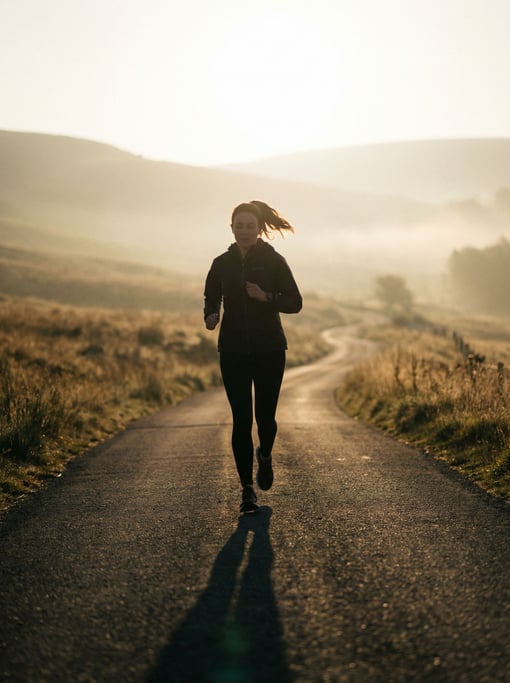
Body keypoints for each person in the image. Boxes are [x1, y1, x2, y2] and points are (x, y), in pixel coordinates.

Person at [204, 200, 303, 513]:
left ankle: (266, 455)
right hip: (232, 349)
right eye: (239, 225)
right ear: (231, 228)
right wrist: (211, 314)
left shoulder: (274, 261)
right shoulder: (221, 263)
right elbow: (211, 294)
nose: (244, 231)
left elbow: (295, 302)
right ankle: (247, 490)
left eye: (250, 226)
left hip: (270, 349)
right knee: (241, 420)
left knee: (265, 419)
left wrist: (266, 296)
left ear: (260, 228)